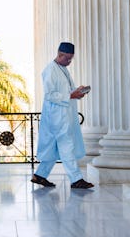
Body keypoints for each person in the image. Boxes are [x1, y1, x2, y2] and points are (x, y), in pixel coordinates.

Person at [31, 41, 94, 190]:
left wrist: (77, 92)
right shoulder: (50, 70)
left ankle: (39, 176)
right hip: (56, 118)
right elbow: (50, 95)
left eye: (71, 59)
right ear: (60, 55)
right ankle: (76, 179)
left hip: (63, 116)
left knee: (54, 148)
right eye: (67, 59)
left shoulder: (62, 69)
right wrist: (71, 95)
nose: (69, 62)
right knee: (67, 147)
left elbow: (67, 91)